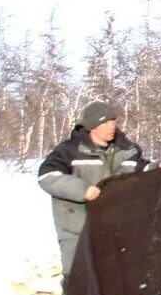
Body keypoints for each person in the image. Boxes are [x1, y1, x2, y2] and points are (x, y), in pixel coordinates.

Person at [36, 100, 148, 282]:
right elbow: (47, 177)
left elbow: (143, 170)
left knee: (114, 282)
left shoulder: (126, 150)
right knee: (77, 282)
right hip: (77, 228)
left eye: (113, 121)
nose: (112, 126)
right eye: (105, 122)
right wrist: (82, 190)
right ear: (91, 126)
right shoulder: (69, 151)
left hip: (116, 228)